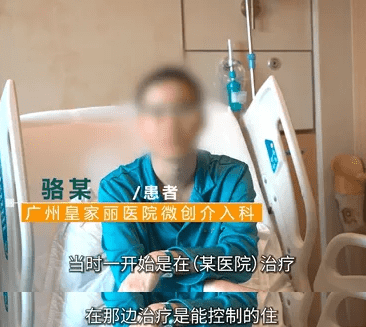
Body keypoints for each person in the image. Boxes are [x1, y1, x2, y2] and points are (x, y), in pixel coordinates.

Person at [98, 66, 259, 293]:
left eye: (182, 111)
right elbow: (131, 280)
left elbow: (242, 260)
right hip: (153, 313)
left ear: (200, 120)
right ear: (141, 125)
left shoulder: (232, 177)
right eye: (157, 113)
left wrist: (166, 260)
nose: (170, 125)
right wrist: (209, 282)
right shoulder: (117, 189)